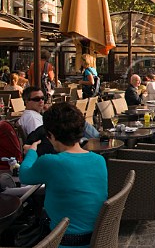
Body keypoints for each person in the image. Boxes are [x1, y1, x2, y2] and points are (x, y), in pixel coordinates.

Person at [19, 102, 107, 247]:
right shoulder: (99, 160)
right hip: (97, 238)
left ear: (51, 135)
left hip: (63, 242)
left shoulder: (50, 162)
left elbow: (24, 175)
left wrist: (32, 152)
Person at [19, 86, 99, 155]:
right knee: (78, 122)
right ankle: (99, 139)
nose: (41, 101)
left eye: (43, 98)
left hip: (63, 142)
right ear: (26, 101)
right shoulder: (32, 118)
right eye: (36, 99)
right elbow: (42, 139)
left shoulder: (34, 114)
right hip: (62, 145)